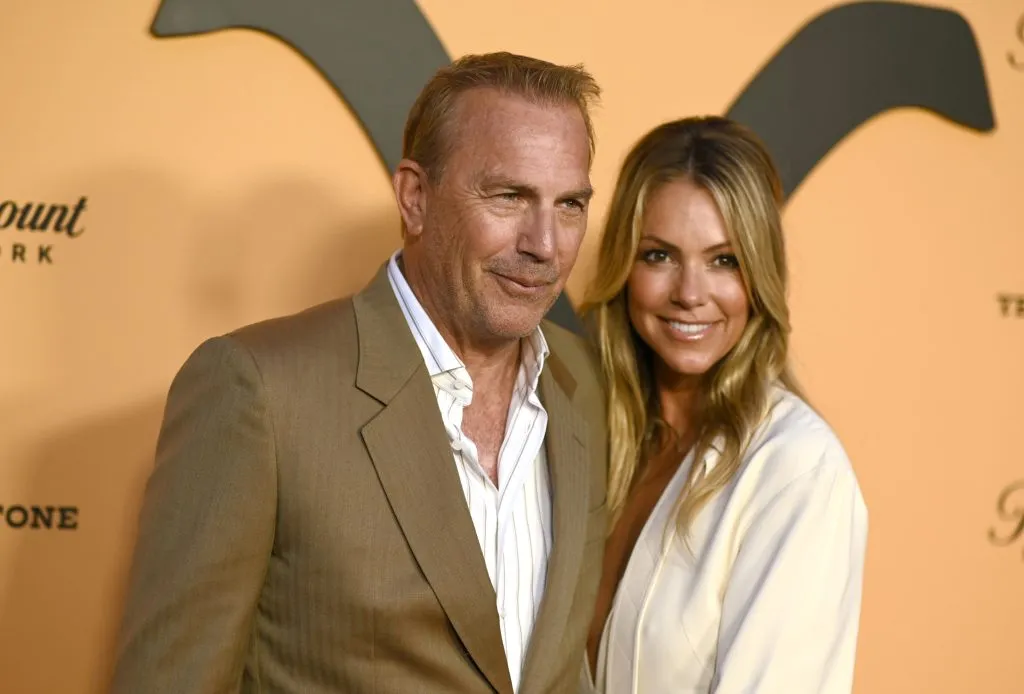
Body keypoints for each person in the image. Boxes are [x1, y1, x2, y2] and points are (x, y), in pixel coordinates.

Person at [108, 52, 609, 694]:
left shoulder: (583, 382)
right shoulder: (261, 390)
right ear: (415, 197)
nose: (545, 244)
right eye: (509, 196)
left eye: (570, 205)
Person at [579, 116, 868, 693]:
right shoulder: (591, 438)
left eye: (724, 260)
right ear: (624, 267)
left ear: (760, 275)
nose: (690, 293)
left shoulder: (796, 469)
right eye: (659, 256)